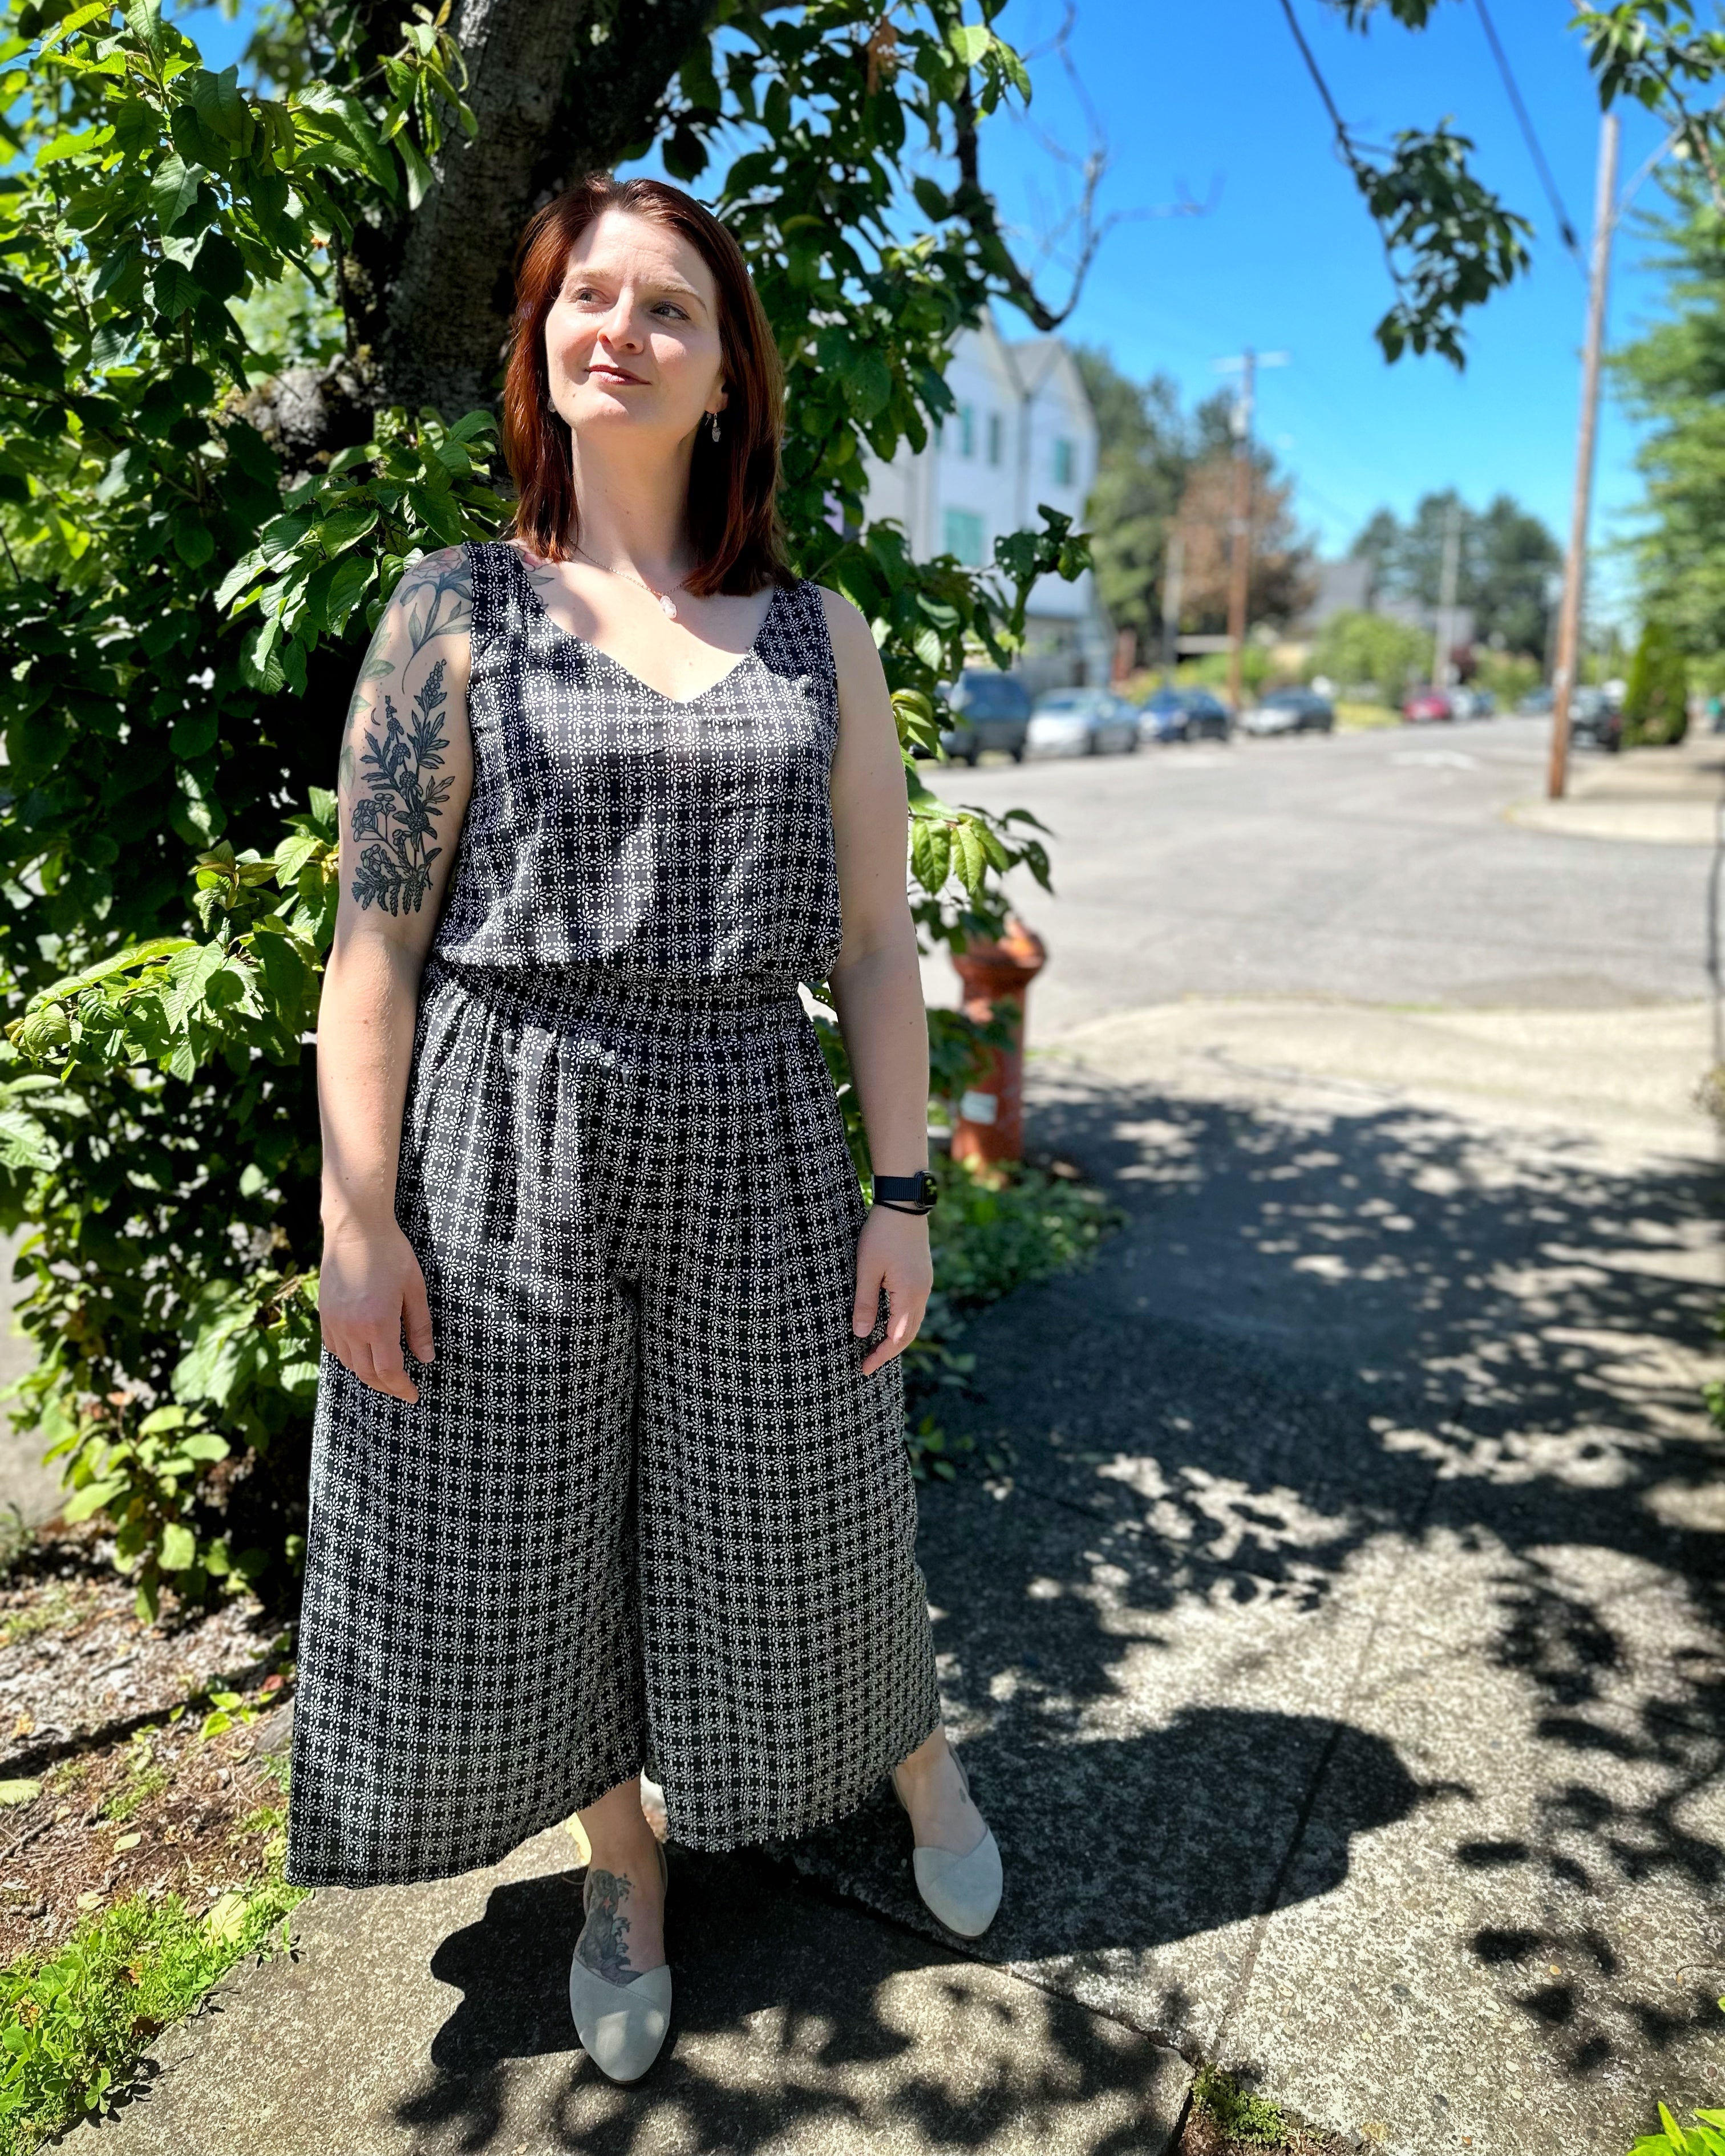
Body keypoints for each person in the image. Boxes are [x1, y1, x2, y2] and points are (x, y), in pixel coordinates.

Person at [284, 172, 1002, 2083]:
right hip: (502, 1131)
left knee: (809, 1497)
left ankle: (915, 1758)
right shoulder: (452, 616)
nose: (618, 326)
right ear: (539, 340)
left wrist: (905, 1188)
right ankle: (626, 1872)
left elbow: (870, 939)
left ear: (725, 376)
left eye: (667, 306)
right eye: (584, 295)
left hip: (756, 1123)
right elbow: (372, 952)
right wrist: (360, 1218)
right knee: (532, 1532)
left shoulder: (816, 631)